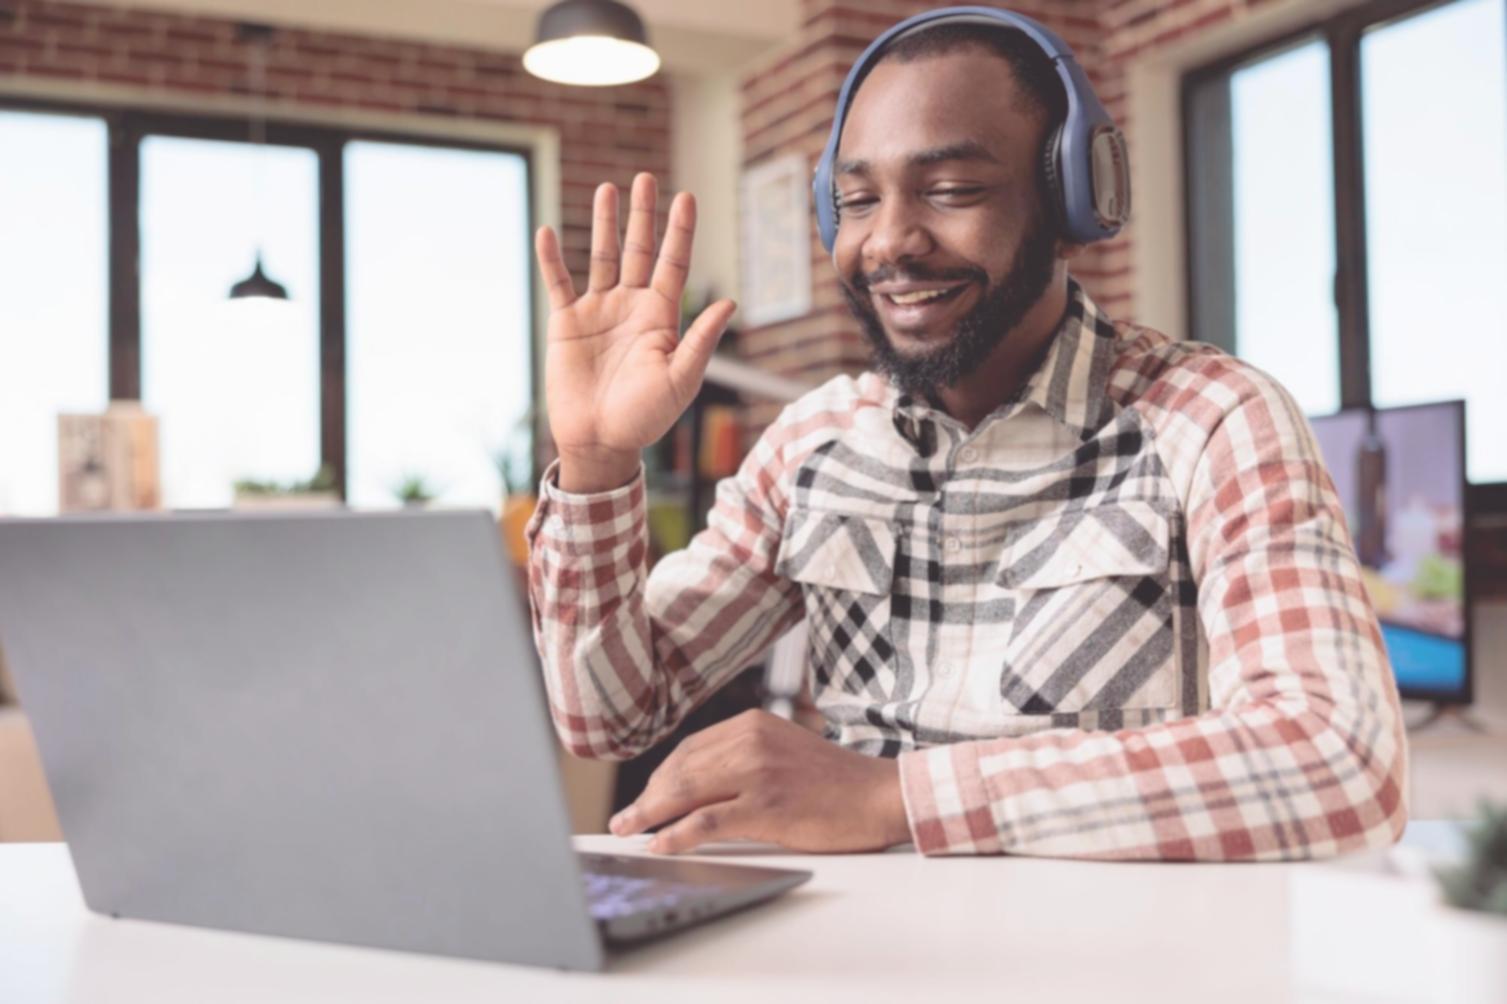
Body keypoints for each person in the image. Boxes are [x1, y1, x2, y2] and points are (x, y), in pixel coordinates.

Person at [525, 8, 1408, 860]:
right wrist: (598, 464)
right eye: (857, 200)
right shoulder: (814, 444)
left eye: (952, 191)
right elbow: (608, 718)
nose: (890, 241)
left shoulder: (1211, 417)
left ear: (1071, 198)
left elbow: (1340, 760)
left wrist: (893, 797)